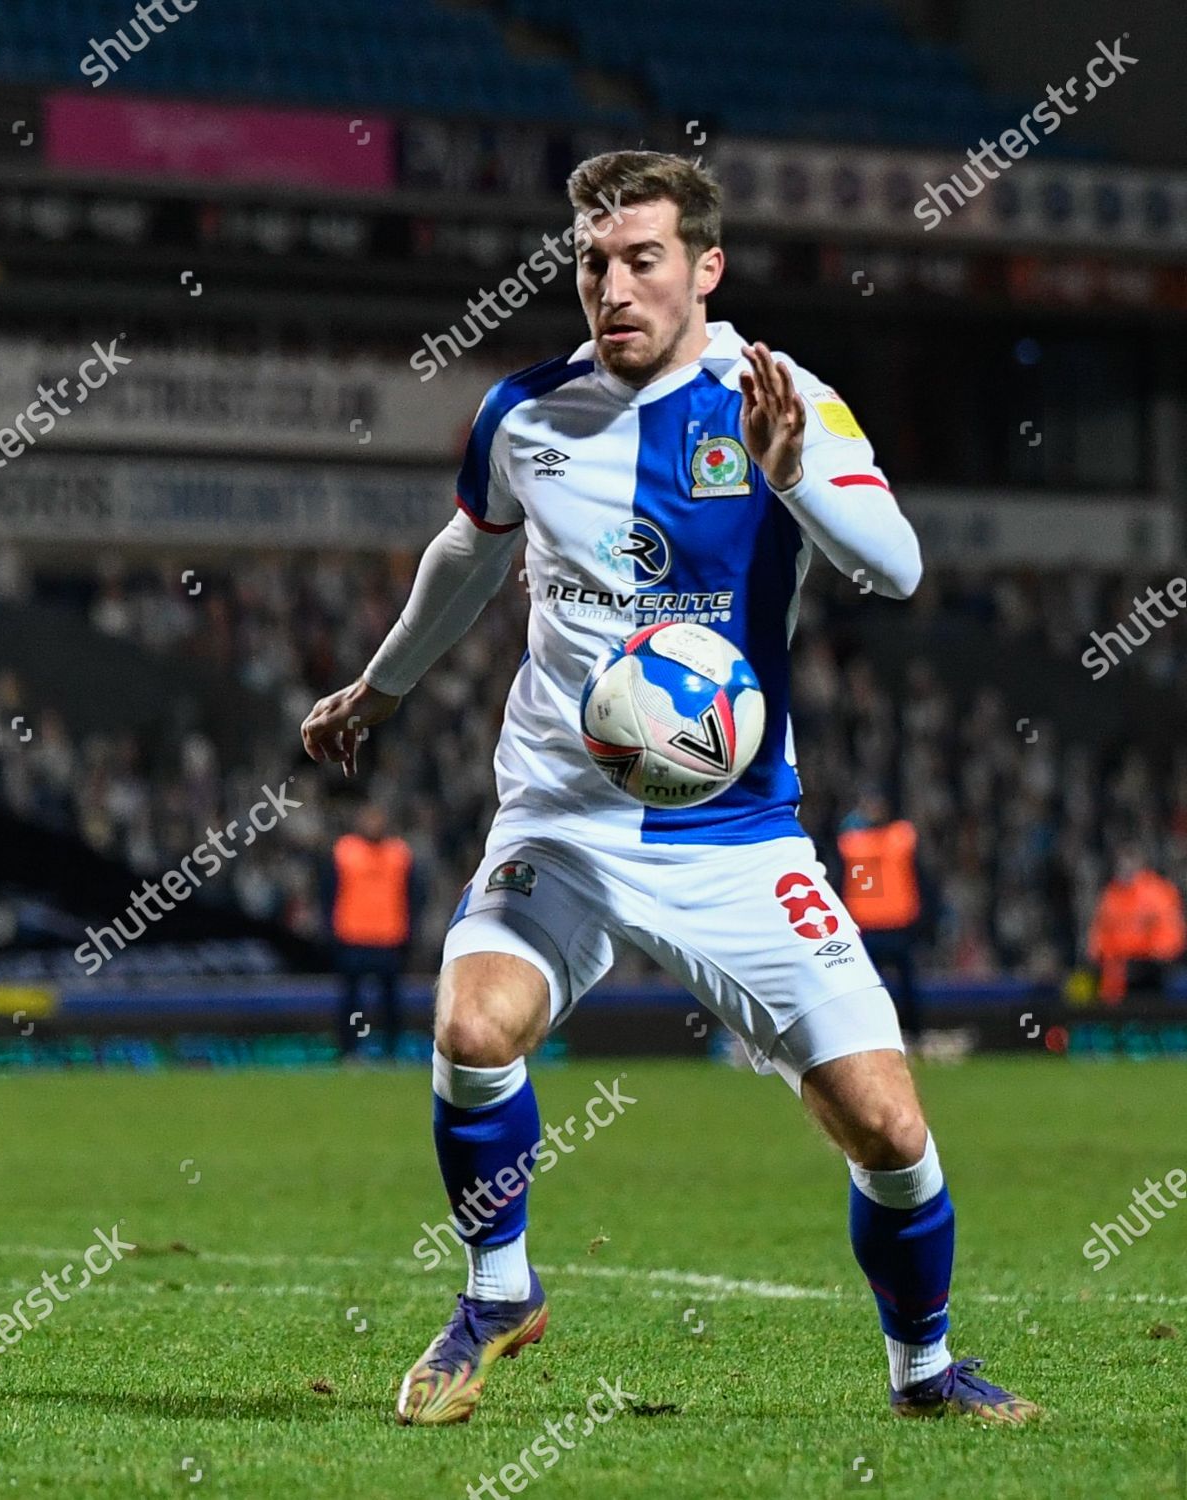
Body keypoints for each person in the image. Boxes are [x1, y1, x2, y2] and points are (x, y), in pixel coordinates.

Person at [301, 150, 1037, 1428]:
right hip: (562, 818)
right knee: (474, 1029)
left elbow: (900, 569)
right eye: (592, 261)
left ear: (706, 266)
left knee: (888, 1129)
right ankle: (496, 1293)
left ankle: (924, 1372)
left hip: (734, 834)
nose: (613, 286)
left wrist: (792, 473)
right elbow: (465, 557)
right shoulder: (524, 414)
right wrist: (381, 687)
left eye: (643, 258)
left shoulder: (781, 397)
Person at [326, 803, 419, 1060]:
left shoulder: (399, 854)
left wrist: (410, 931)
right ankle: (352, 1048)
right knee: (352, 1001)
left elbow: (413, 896)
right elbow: (328, 892)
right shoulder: (345, 851)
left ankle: (390, 1049)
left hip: (389, 937)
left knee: (390, 1002)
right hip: (353, 936)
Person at [838, 792, 924, 1042]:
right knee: (871, 987)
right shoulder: (897, 838)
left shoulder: (857, 841)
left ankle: (909, 1033)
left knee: (900, 988)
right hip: (872, 928)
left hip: (892, 926)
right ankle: (882, 1033)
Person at [1088, 844, 1185, 1003]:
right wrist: (1108, 956)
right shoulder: (1110, 895)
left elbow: (1171, 936)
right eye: (1120, 863)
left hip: (1151, 968)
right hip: (1116, 969)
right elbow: (1099, 935)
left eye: (1129, 861)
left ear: (1140, 863)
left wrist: (1145, 955)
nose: (1124, 867)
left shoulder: (1159, 892)